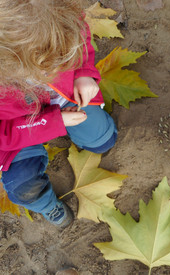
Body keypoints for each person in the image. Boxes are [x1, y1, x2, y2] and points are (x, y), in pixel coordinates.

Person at [0, 0, 117, 228]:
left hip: (65, 96)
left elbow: (78, 33)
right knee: (23, 186)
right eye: (44, 67)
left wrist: (84, 72)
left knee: (102, 139)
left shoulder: (53, 12)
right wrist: (53, 123)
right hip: (15, 133)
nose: (54, 69)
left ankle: (97, 137)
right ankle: (44, 203)